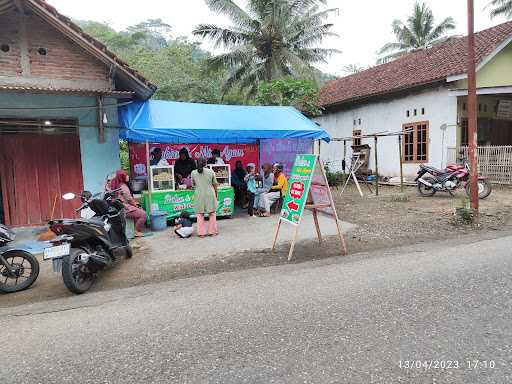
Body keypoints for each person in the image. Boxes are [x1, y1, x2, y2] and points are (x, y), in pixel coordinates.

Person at [110, 170, 147, 237]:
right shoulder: (123, 186)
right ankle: (136, 231)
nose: (128, 177)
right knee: (143, 214)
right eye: (126, 175)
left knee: (137, 209)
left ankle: (135, 229)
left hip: (119, 207)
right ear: (122, 177)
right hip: (124, 208)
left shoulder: (115, 184)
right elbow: (130, 200)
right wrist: (136, 205)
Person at [191, 158, 219, 237]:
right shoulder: (211, 171)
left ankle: (201, 233)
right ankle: (212, 232)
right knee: (212, 213)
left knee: (200, 214)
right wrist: (216, 195)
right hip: (210, 194)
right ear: (206, 163)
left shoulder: (193, 173)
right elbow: (215, 184)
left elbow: (193, 185)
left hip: (199, 195)